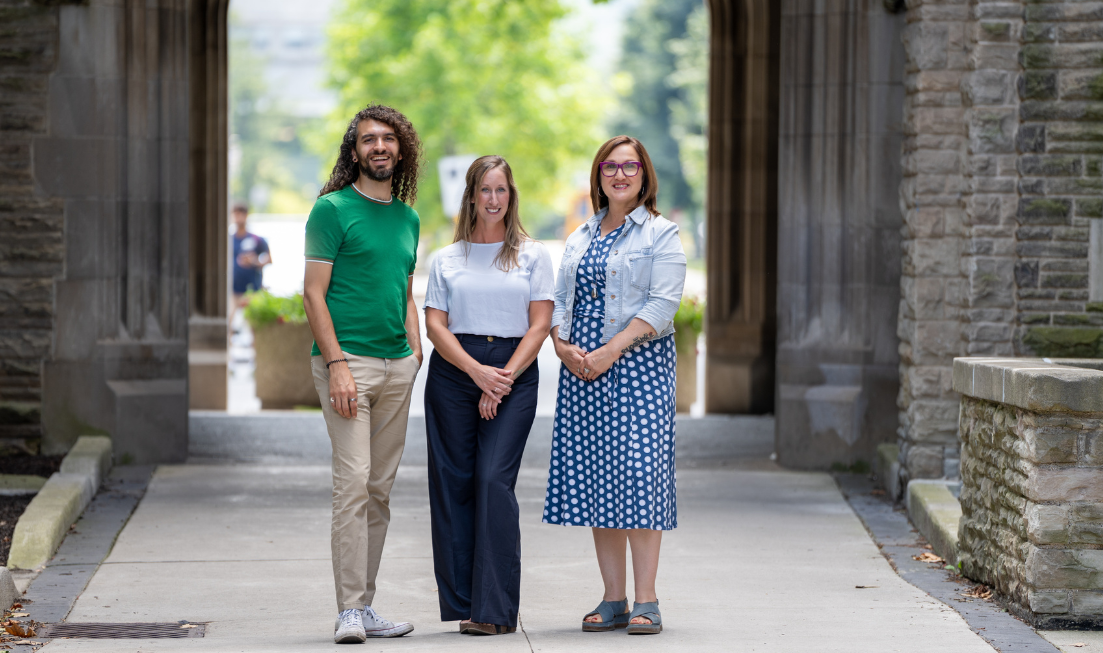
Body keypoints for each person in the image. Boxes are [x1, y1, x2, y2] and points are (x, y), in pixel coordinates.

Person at [542, 136, 686, 635]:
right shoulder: (580, 236)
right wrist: (561, 344)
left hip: (638, 370)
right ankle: (613, 599)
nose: (620, 174)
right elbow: (560, 299)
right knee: (601, 480)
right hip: (583, 371)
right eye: (610, 166)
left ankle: (647, 601)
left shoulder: (661, 235)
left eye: (630, 166)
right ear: (598, 175)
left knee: (640, 478)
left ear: (645, 175)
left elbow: (663, 305)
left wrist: (612, 349)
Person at [302, 104, 423, 644]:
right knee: (352, 484)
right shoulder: (331, 210)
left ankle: (367, 605)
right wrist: (336, 366)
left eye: (388, 140)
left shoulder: (408, 217)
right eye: (369, 139)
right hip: (345, 364)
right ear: (355, 150)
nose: (379, 147)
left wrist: (415, 355)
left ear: (401, 151)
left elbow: (404, 291)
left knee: (378, 489)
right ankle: (348, 609)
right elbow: (313, 293)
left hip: (397, 367)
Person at [422, 156, 554, 636]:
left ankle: (495, 609)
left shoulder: (533, 255)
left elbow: (540, 324)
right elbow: (435, 325)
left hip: (513, 371)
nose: (494, 199)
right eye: (485, 190)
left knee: (493, 480)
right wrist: (477, 373)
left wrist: (502, 379)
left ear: (510, 195)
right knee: (453, 483)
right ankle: (465, 603)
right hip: (457, 371)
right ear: (472, 196)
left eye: (502, 190)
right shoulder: (447, 258)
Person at [231, 203, 272, 308]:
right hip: (233, 289)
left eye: (240, 214)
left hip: (252, 289)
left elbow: (269, 259)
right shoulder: (229, 240)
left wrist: (254, 262)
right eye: (235, 214)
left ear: (246, 215)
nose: (238, 218)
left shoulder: (256, 239)